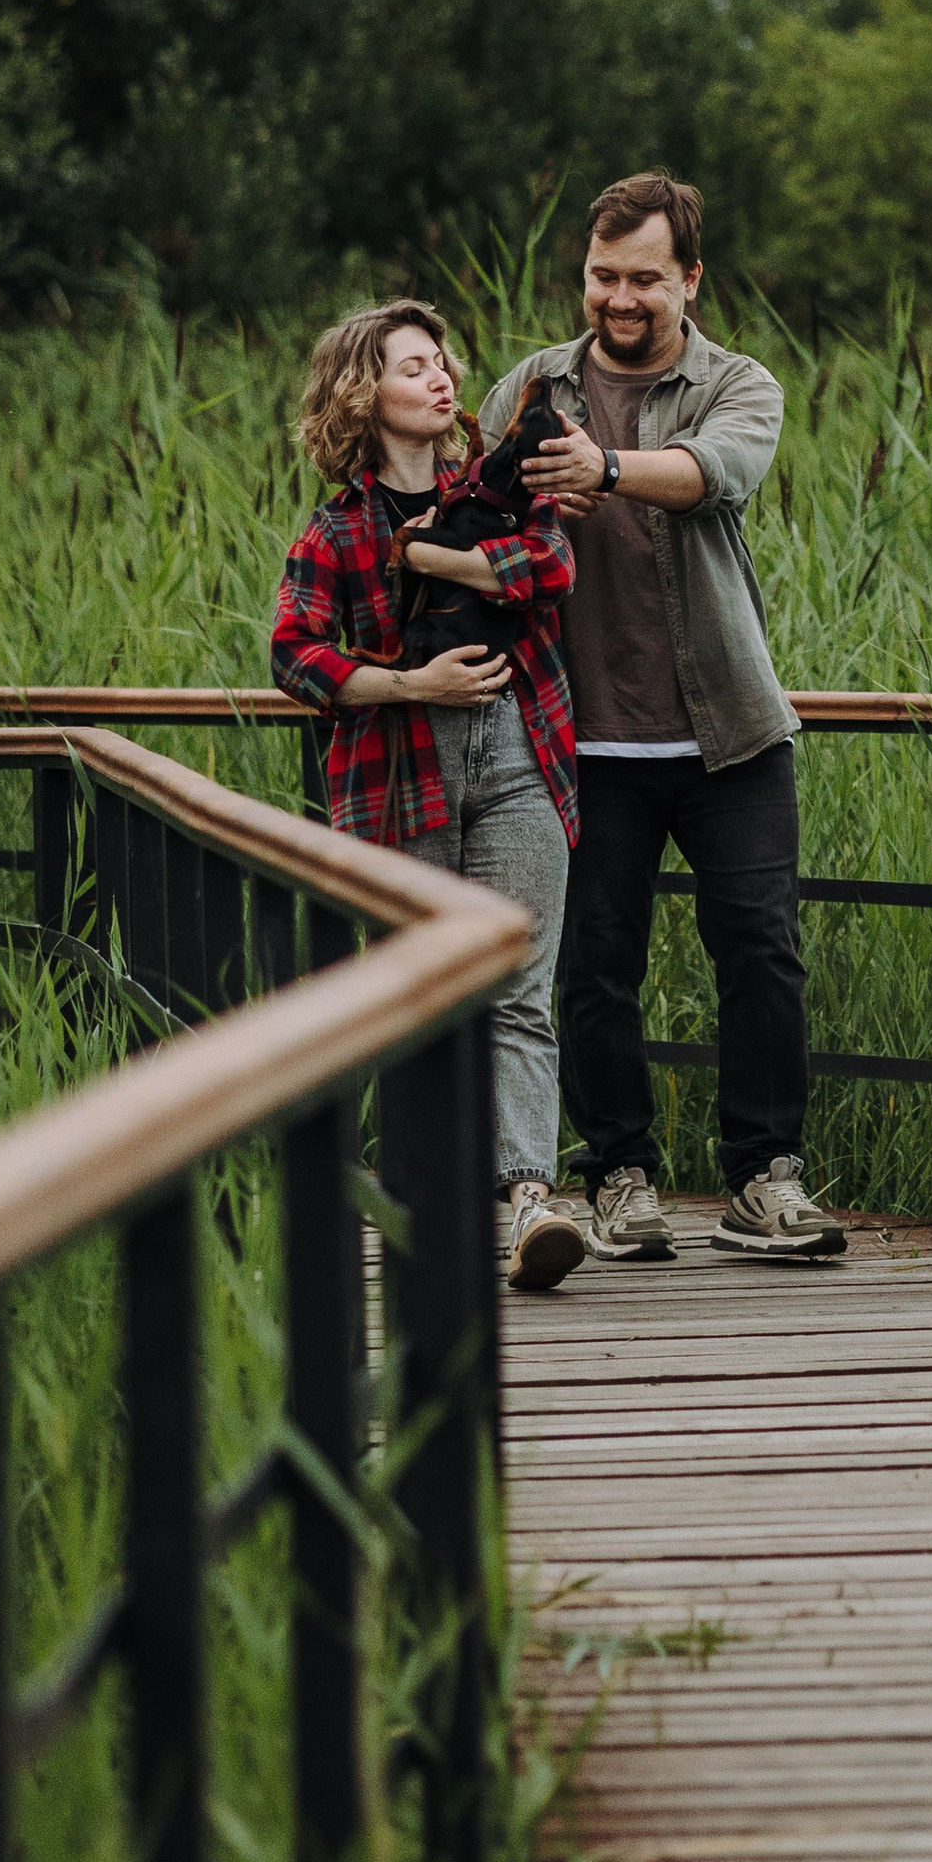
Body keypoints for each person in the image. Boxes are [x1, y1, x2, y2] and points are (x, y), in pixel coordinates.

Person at [480, 175, 847, 1267]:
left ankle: (763, 1178)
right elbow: (468, 508)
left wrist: (604, 468)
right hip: (578, 737)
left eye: (645, 277)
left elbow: (714, 473)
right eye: (603, 276)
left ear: (690, 280)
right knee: (594, 965)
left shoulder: (738, 382)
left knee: (762, 954)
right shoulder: (532, 386)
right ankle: (620, 1178)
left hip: (728, 731)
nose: (621, 297)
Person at [270, 298, 589, 1290]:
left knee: (518, 986)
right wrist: (413, 683)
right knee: (418, 993)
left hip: (516, 752)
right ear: (364, 394)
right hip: (397, 767)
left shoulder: (495, 487)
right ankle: (428, 1198)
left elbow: (546, 565)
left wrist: (432, 554)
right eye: (413, 367)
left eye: (442, 361)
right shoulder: (332, 531)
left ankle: (530, 1201)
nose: (442, 376)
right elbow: (296, 654)